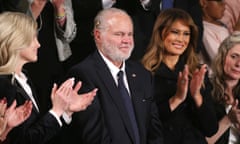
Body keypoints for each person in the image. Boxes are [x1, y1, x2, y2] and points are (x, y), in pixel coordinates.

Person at [61, 8, 163, 144]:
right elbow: (95, 137)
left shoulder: (142, 74)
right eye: (119, 34)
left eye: (130, 34)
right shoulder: (84, 74)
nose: (126, 40)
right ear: (98, 36)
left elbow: (154, 130)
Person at [0, 11, 97, 144]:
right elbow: (23, 140)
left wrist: (64, 110)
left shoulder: (23, 78)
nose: (38, 44)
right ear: (17, 42)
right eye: (33, 38)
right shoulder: (4, 87)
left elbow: (39, 131)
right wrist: (56, 111)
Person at [142, 8, 218, 144]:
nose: (181, 39)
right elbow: (142, 123)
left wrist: (197, 96)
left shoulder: (197, 72)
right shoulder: (142, 72)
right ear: (160, 33)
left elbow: (211, 129)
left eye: (186, 34)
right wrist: (176, 99)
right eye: (175, 32)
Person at [206, 32, 240, 144]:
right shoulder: (205, 89)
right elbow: (201, 141)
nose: (238, 64)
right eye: (234, 56)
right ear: (222, 56)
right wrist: (229, 119)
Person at [199, 0, 229, 76]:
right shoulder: (204, 29)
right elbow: (220, 62)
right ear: (203, 2)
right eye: (219, 1)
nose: (224, 5)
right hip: (215, 81)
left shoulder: (222, 26)